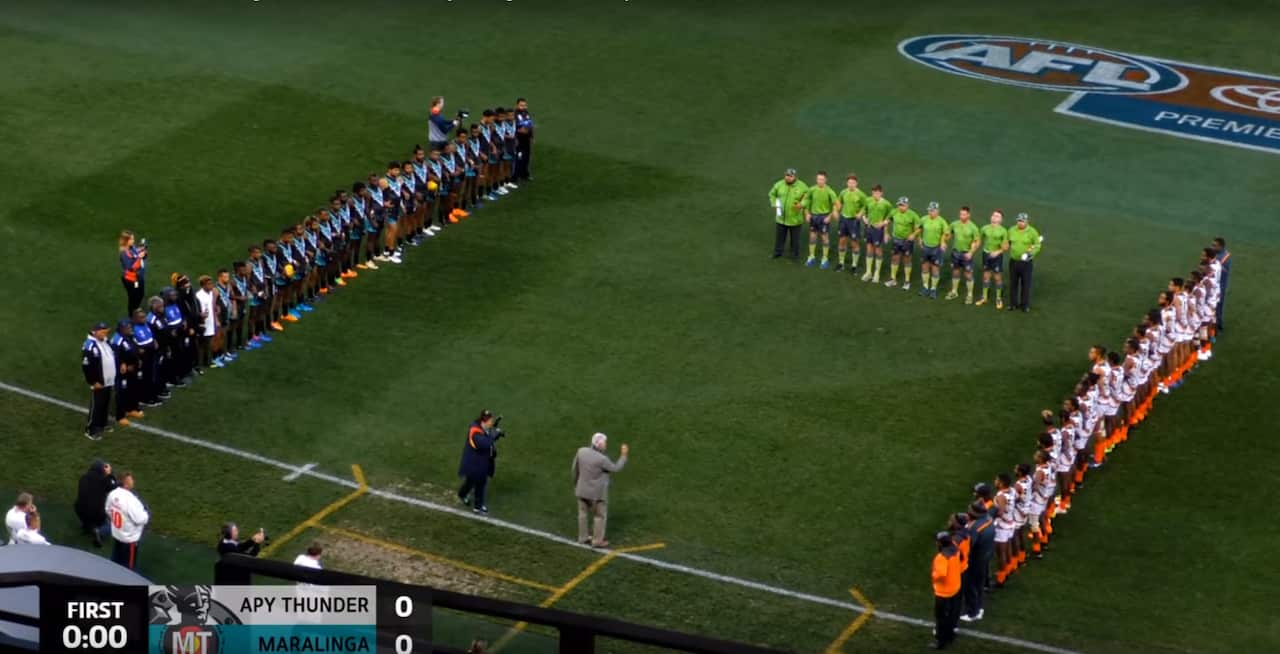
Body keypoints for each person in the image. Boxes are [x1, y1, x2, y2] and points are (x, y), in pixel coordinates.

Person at [572, 432, 629, 548]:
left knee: (582, 514)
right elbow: (616, 468)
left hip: (581, 490)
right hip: (597, 494)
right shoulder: (602, 459)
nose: (606, 445)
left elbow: (575, 469)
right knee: (599, 516)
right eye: (605, 443)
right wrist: (623, 455)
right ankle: (597, 541)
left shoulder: (581, 451)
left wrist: (576, 485)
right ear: (599, 445)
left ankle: (582, 538)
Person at [457, 411, 504, 515]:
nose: (491, 422)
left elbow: (488, 436)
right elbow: (484, 444)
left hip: (484, 461)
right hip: (476, 463)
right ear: (483, 421)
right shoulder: (475, 432)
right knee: (480, 483)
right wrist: (494, 435)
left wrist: (496, 432)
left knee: (473, 481)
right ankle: (478, 507)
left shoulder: (483, 428)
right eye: (490, 420)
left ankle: (463, 494)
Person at [82, 321, 118, 440]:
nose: (105, 334)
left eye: (106, 332)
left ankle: (102, 424)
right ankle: (91, 429)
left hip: (108, 379)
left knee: (105, 403)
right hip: (99, 381)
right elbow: (86, 366)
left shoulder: (105, 341)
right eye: (102, 332)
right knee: (97, 405)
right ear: (95, 332)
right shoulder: (90, 346)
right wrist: (93, 382)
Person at [106, 471, 149, 570]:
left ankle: (110, 573)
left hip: (117, 533)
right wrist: (146, 514)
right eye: (131, 480)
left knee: (115, 558)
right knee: (129, 567)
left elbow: (108, 510)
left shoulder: (113, 494)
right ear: (125, 484)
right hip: (129, 539)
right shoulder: (131, 500)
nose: (133, 481)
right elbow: (140, 519)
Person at [961, 501, 993, 622]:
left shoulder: (974, 528)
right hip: (986, 555)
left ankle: (972, 612)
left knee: (971, 585)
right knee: (979, 584)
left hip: (975, 559)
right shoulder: (989, 519)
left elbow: (970, 545)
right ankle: (980, 608)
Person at [930, 531, 962, 650]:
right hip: (955, 587)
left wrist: (933, 575)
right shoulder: (956, 550)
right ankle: (951, 635)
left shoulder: (941, 557)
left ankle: (941, 641)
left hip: (943, 592)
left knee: (941, 617)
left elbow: (941, 574)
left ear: (940, 543)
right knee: (952, 614)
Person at [75, 459, 118, 548]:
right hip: (96, 513)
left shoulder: (83, 478)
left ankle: (88, 526)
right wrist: (110, 474)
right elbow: (114, 487)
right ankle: (99, 532)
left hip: (79, 510)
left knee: (87, 510)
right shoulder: (104, 480)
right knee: (111, 525)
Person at [767, 169, 808, 260]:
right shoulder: (779, 184)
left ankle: (794, 255)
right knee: (779, 238)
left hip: (795, 219)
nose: (788, 178)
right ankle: (777, 252)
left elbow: (808, 198)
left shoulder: (802, 186)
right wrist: (774, 203)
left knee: (795, 240)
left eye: (790, 176)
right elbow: (772, 194)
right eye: (787, 175)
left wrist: (801, 204)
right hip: (781, 218)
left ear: (795, 177)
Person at [802, 172, 840, 268]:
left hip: (824, 217)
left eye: (822, 179)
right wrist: (807, 213)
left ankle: (825, 258)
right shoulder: (812, 189)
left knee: (824, 238)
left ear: (825, 180)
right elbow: (806, 201)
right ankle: (811, 256)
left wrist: (830, 216)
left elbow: (837, 205)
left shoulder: (830, 191)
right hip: (813, 216)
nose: (820, 181)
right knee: (812, 236)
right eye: (818, 179)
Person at [1007, 213, 1043, 312]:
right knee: (1013, 284)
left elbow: (1037, 245)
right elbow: (1008, 242)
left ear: (1027, 222)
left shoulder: (1032, 232)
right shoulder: (1011, 230)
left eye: (1022, 221)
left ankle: (1024, 305)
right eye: (1019, 221)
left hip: (1026, 263)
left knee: (1026, 284)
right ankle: (1013, 304)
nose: (1020, 223)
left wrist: (1030, 253)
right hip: (1013, 261)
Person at [945, 207, 981, 303]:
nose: (962, 216)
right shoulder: (954, 224)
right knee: (955, 271)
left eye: (964, 214)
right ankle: (954, 291)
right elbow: (948, 234)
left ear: (968, 215)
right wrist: (945, 239)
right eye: (961, 214)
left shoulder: (973, 227)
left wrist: (971, 252)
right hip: (955, 252)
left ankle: (970, 295)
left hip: (966, 254)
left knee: (968, 274)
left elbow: (977, 241)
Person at [884, 197, 920, 290]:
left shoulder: (913, 215)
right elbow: (887, 221)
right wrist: (886, 233)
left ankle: (907, 281)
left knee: (907, 259)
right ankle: (893, 279)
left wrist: (913, 235)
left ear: (907, 205)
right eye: (899, 205)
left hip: (907, 241)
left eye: (903, 205)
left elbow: (918, 228)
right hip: (896, 239)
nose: (901, 207)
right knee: (895, 258)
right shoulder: (894, 212)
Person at [975, 211, 1009, 309]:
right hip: (986, 255)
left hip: (997, 256)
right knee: (986, 276)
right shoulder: (984, 228)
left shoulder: (1003, 231)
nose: (994, 217)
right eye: (993, 215)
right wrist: (973, 248)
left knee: (997, 277)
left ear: (1001, 220)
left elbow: (1006, 247)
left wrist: (998, 252)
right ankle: (984, 297)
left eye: (997, 216)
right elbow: (979, 240)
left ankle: (998, 298)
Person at [834, 174, 867, 273]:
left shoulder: (861, 195)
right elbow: (838, 202)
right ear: (847, 183)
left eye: (853, 183)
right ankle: (841, 263)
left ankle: (854, 265)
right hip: (843, 220)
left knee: (854, 243)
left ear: (856, 183)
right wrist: (835, 211)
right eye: (849, 182)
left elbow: (866, 206)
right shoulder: (843, 192)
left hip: (854, 221)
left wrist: (860, 213)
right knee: (842, 241)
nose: (851, 184)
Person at [917, 202, 951, 299]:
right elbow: (919, 229)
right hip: (925, 247)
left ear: (937, 211)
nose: (930, 212)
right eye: (929, 210)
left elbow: (947, 234)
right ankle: (925, 287)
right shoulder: (924, 219)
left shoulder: (942, 221)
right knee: (925, 267)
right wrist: (919, 239)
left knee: (935, 269)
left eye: (932, 211)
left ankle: (933, 289)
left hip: (936, 249)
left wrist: (943, 242)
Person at [860, 185, 893, 283]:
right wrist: (864, 219)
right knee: (869, 249)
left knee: (878, 250)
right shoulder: (868, 200)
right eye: (874, 193)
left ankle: (877, 272)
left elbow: (891, 217)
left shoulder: (887, 204)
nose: (876, 194)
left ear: (881, 193)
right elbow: (864, 211)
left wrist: (883, 224)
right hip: (868, 228)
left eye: (878, 193)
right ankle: (868, 272)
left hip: (878, 230)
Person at [119, 231, 148, 314]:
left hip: (138, 277)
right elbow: (131, 267)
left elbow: (136, 253)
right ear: (126, 241)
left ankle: (136, 309)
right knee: (134, 298)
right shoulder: (124, 253)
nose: (133, 241)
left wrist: (143, 250)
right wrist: (139, 257)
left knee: (140, 294)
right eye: (131, 239)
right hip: (132, 280)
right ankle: (132, 314)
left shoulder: (132, 247)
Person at [194, 275, 220, 370]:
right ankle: (198, 364)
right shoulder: (199, 296)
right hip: (203, 323)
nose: (211, 285)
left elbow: (211, 305)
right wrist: (201, 317)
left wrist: (216, 308)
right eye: (209, 284)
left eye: (211, 283)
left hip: (210, 322)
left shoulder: (210, 293)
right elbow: (197, 310)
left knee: (208, 343)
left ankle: (207, 361)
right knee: (201, 345)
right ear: (203, 285)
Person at [1212, 237, 1230, 331]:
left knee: (1217, 306)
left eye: (1215, 246)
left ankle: (1218, 325)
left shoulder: (1222, 257)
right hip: (1217, 285)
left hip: (1220, 286)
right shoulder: (1222, 254)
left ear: (1221, 246)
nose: (1212, 247)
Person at [514, 97, 534, 182]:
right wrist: (520, 132)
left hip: (526, 139)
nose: (523, 107)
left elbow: (530, 125)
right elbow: (515, 128)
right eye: (521, 105)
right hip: (519, 140)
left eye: (524, 105)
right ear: (517, 105)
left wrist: (531, 136)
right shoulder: (515, 114)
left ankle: (524, 174)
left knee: (526, 157)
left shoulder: (526, 113)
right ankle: (516, 175)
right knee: (519, 157)